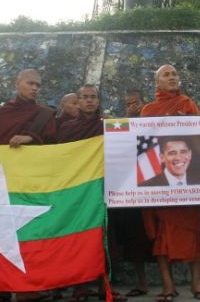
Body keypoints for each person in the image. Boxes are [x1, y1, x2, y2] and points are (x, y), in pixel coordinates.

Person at [140, 64, 200, 302]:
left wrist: (183, 121)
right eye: (166, 75)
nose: (172, 77)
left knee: (193, 236)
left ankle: (196, 284)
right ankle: (168, 286)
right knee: (162, 238)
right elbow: (143, 142)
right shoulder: (148, 110)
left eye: (174, 74)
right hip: (160, 186)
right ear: (157, 83)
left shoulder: (188, 104)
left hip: (187, 186)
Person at [58, 84, 126, 302]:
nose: (89, 101)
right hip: (79, 191)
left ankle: (105, 285)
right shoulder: (68, 129)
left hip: (104, 188)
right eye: (85, 97)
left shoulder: (109, 126)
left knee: (105, 237)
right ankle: (79, 287)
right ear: (77, 101)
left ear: (98, 101)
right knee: (79, 237)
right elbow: (62, 158)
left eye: (93, 97)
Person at [0, 68, 56, 302]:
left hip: (33, 185)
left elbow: (56, 145)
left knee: (31, 234)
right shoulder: (3, 113)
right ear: (17, 84)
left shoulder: (44, 114)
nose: (34, 88)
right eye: (30, 83)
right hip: (4, 186)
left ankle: (29, 289)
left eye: (38, 85)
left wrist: (32, 138)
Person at [121, 90, 152, 297]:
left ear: (144, 103)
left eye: (136, 102)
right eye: (129, 104)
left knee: (157, 237)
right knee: (135, 240)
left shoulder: (154, 124)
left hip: (155, 190)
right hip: (130, 193)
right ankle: (142, 282)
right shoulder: (119, 128)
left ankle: (169, 283)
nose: (133, 106)